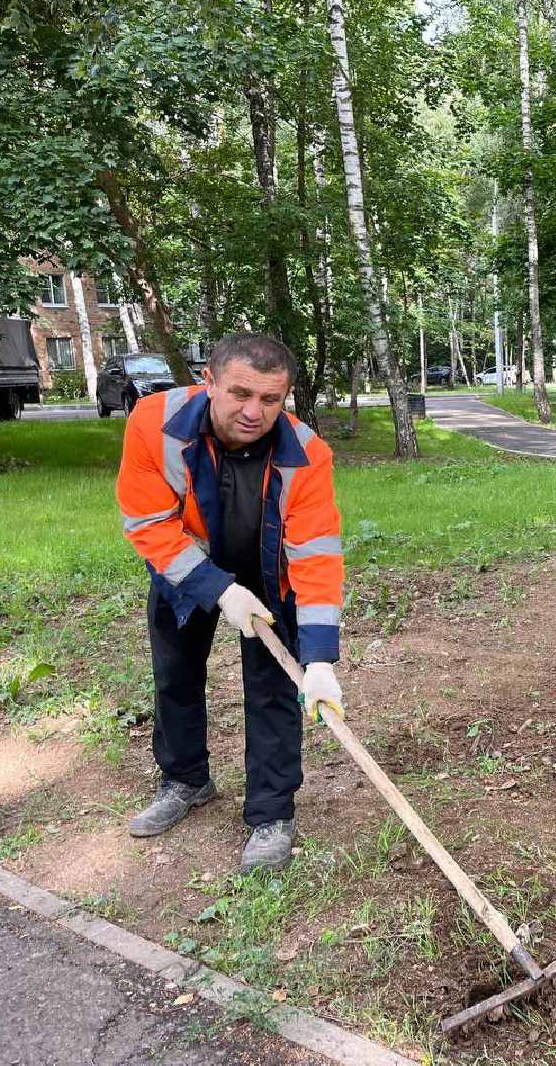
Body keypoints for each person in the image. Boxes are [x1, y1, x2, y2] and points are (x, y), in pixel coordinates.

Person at [115, 333, 344, 873]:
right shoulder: (155, 424)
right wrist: (217, 589)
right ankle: (186, 780)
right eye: (240, 393)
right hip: (188, 564)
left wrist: (318, 660)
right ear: (209, 382)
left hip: (269, 571)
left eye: (270, 399)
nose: (253, 411)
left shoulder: (306, 454)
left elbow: (315, 556)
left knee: (273, 689)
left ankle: (271, 813)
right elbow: (148, 521)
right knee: (175, 675)